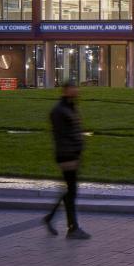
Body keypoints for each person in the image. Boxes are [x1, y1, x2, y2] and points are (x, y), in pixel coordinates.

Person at [44, 81, 90, 240]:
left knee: (69, 191)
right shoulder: (59, 111)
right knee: (71, 191)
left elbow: (76, 131)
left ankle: (50, 218)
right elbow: (61, 137)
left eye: (76, 87)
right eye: (72, 88)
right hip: (66, 156)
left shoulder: (71, 107)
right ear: (65, 91)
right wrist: (71, 155)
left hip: (73, 155)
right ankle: (73, 228)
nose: (76, 90)